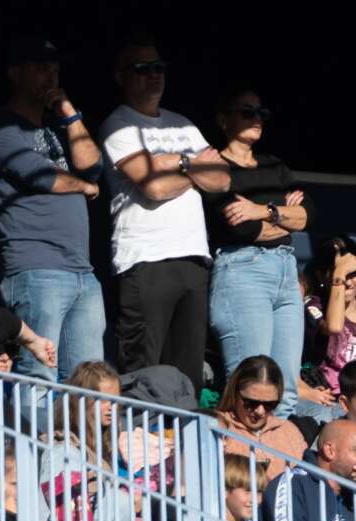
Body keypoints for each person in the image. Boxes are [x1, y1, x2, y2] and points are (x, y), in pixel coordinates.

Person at [97, 35, 228, 390]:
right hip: (146, 260)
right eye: (142, 69)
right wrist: (191, 163)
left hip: (193, 260)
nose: (153, 76)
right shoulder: (119, 125)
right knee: (145, 373)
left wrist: (174, 166)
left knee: (187, 376)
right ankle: (141, 442)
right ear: (121, 76)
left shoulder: (183, 123)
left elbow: (221, 179)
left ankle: (180, 446)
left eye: (158, 68)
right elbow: (152, 187)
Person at [0, 36, 107, 383]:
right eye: (40, 68)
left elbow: (92, 164)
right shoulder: (0, 128)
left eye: (54, 68)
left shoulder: (59, 130)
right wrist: (85, 187)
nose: (50, 76)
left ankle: (75, 440)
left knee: (89, 382)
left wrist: (69, 112)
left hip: (83, 270)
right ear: (15, 73)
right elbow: (43, 178)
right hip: (37, 269)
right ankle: (29, 439)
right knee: (39, 374)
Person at [201, 89, 312, 418]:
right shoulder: (216, 167)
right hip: (242, 269)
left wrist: (261, 210)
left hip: (285, 270)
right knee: (251, 388)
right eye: (246, 112)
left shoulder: (274, 164)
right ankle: (238, 464)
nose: (256, 119)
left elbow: (308, 216)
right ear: (224, 119)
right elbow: (240, 227)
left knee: (286, 392)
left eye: (261, 112)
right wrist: (282, 215)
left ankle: (273, 468)